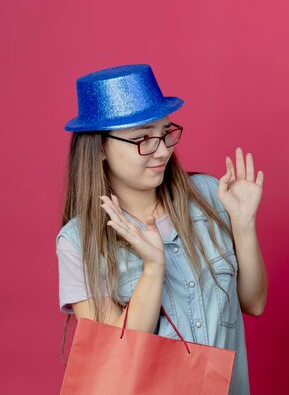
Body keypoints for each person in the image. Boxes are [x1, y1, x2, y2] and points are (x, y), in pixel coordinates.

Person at [56, 64, 267, 395]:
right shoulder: (79, 241)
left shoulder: (210, 196)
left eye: (166, 131)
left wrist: (243, 223)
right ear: (99, 148)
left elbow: (254, 303)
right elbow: (115, 356)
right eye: (142, 138)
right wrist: (153, 269)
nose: (163, 149)